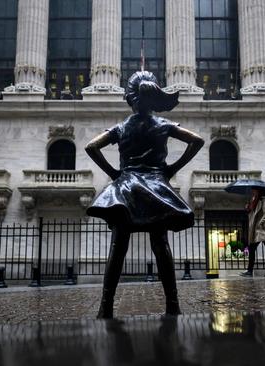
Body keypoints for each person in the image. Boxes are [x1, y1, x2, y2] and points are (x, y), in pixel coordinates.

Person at [85, 71, 205, 319]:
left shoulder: (121, 127)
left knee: (118, 248)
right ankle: (173, 305)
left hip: (126, 188)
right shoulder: (163, 125)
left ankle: (105, 307)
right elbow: (197, 140)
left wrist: (115, 173)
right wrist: (172, 168)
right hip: (155, 188)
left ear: (131, 98)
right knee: (161, 245)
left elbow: (91, 146)